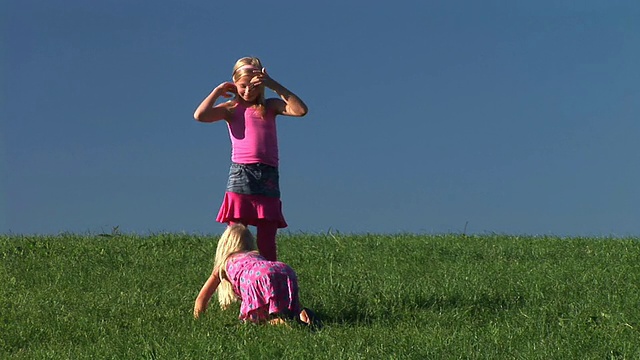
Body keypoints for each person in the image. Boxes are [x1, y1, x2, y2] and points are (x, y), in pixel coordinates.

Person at [193, 56, 308, 262]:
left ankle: (268, 277)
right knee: (237, 233)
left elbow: (300, 111)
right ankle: (233, 277)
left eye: (254, 86)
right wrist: (217, 92)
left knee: (267, 234)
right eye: (243, 86)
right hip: (242, 172)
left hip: (268, 174)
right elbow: (200, 115)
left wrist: (272, 84)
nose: (248, 91)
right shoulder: (231, 109)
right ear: (235, 84)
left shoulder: (270, 107)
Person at [193, 224, 319, 327]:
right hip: (283, 270)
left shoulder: (225, 263)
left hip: (257, 277)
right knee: (288, 311)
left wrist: (199, 322)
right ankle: (304, 317)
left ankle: (283, 324)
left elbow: (202, 298)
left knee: (256, 323)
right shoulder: (255, 255)